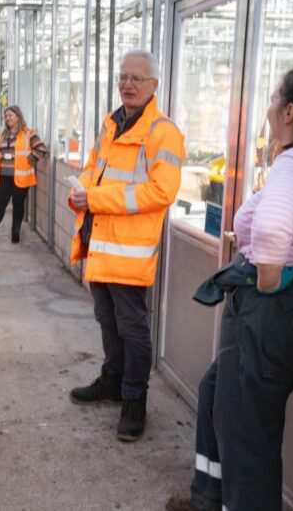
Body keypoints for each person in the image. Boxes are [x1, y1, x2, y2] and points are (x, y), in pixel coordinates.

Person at [166, 68, 293, 511]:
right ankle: (208, 495)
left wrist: (266, 281)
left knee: (248, 435)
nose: (266, 108)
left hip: (274, 310)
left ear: (289, 111)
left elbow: (271, 229)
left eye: (272, 99)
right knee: (218, 391)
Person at [67, 49, 185, 442]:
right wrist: (80, 190)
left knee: (132, 327)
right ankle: (113, 381)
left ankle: (135, 400)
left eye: (137, 78)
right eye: (123, 77)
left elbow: (161, 191)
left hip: (129, 251)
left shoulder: (162, 131)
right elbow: (94, 167)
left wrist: (96, 199)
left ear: (154, 86)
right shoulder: (111, 124)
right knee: (106, 318)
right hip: (100, 242)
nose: (127, 84)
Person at [0, 105, 47, 243]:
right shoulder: (2, 135)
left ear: (18, 116)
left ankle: (15, 232)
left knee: (18, 206)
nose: (8, 118)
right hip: (4, 178)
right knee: (0, 206)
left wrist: (31, 158)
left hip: (21, 177)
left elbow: (42, 148)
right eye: (6, 116)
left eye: (11, 115)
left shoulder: (28, 134)